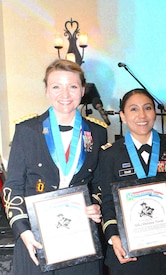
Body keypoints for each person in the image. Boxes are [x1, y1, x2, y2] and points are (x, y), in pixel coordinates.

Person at [2, 59, 108, 275]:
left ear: (82, 91)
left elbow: (98, 183)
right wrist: (23, 232)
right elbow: (12, 186)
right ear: (47, 91)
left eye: (73, 86)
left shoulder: (97, 132)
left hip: (81, 237)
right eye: (56, 86)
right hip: (35, 236)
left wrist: (95, 206)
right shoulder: (27, 130)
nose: (65, 94)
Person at [96, 88, 166, 275]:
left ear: (154, 112)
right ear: (122, 116)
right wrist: (113, 237)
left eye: (147, 108)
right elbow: (107, 201)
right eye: (133, 109)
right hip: (129, 253)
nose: (142, 115)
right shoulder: (109, 154)